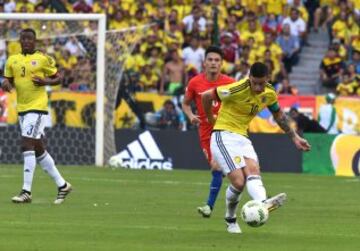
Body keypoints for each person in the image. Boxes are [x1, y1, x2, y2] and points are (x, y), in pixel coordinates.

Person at [201, 62, 311, 233]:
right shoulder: (236, 89)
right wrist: (210, 117)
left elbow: (279, 116)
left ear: (268, 79)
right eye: (254, 83)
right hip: (223, 135)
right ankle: (231, 219)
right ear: (249, 78)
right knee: (239, 182)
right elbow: (206, 96)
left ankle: (262, 203)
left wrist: (295, 137)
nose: (258, 87)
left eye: (261, 83)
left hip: (242, 137)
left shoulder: (269, 93)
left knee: (253, 171)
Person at [1, 28, 72, 204]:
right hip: (22, 109)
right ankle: (62, 185)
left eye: (29, 39)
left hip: (37, 108)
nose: (26, 41)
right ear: (19, 40)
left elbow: (58, 78)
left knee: (26, 144)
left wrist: (45, 81)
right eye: (23, 39)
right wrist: (6, 83)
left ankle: (26, 191)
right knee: (38, 149)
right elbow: (8, 80)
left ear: (35, 41)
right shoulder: (12, 60)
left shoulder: (42, 59)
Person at [182, 46, 235, 217]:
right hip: (206, 132)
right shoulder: (195, 83)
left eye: (217, 60)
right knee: (216, 168)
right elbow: (185, 103)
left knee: (222, 169)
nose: (213, 63)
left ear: (221, 64)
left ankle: (209, 207)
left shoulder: (230, 83)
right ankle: (211, 206)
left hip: (226, 129)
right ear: (204, 62)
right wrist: (190, 115)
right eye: (210, 60)